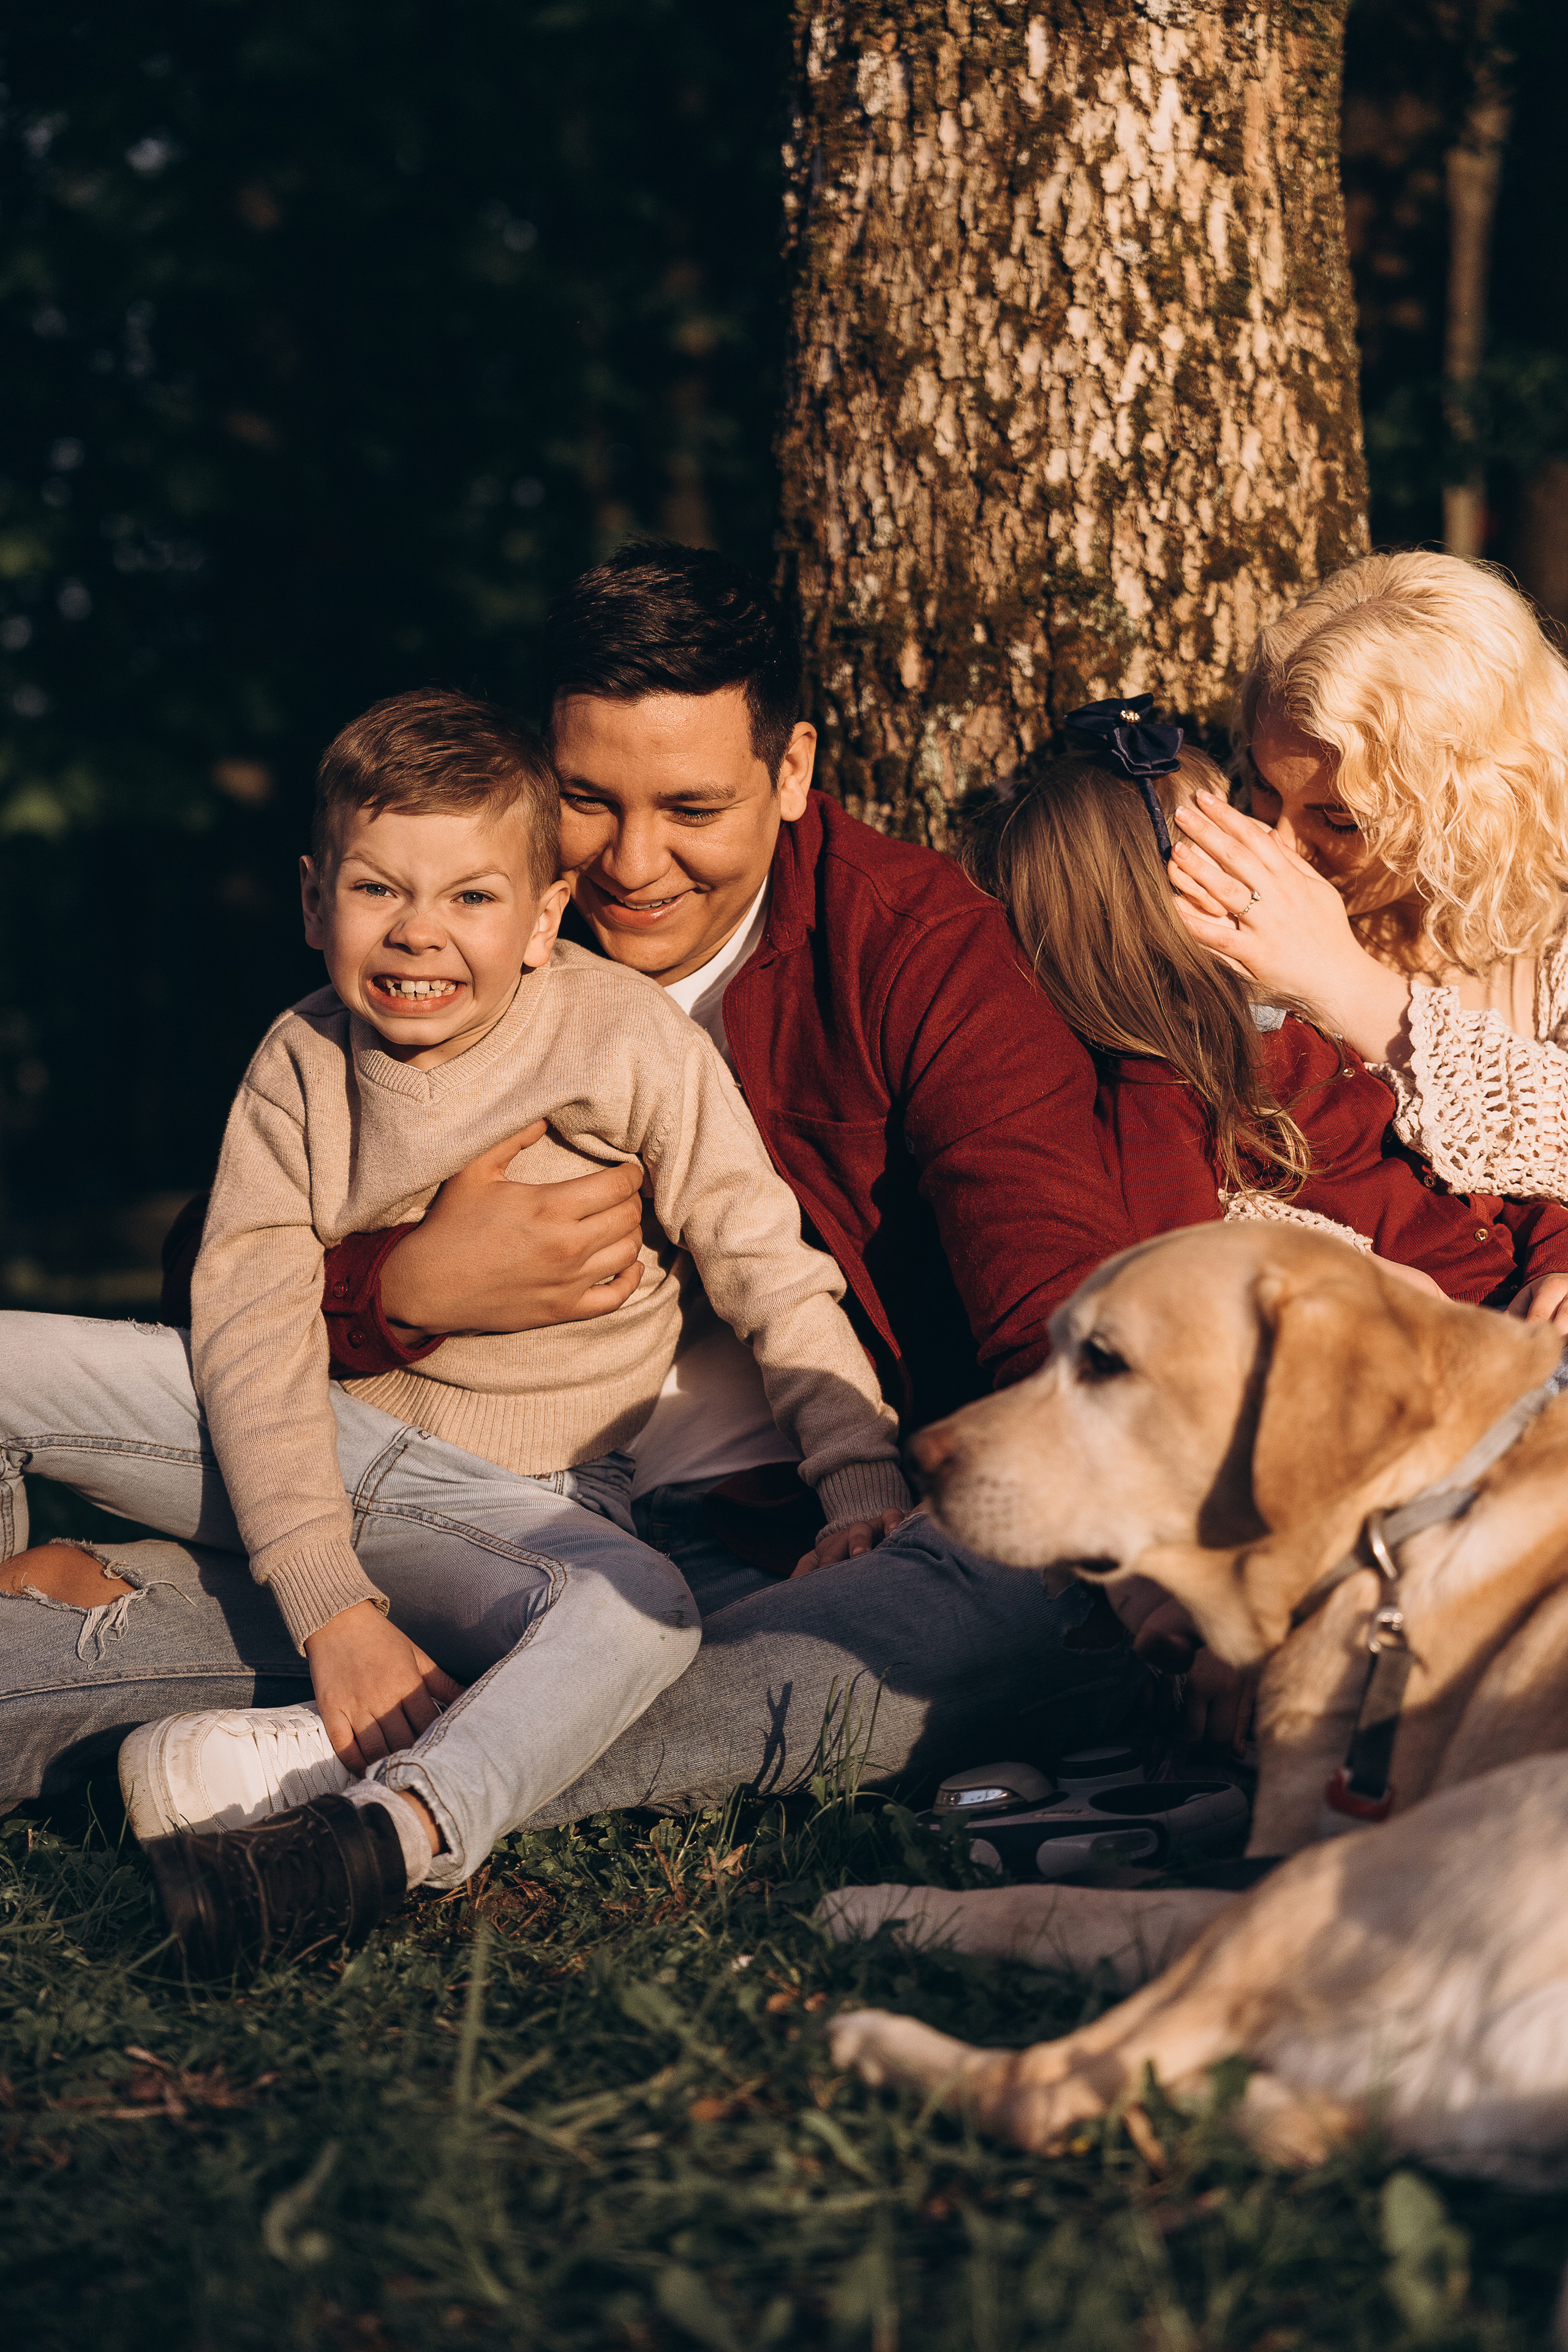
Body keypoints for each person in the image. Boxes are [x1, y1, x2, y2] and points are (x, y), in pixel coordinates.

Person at [0, 547, 1153, 1944]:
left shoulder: (911, 952)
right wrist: (401, 1287)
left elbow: (1036, 1268)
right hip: (396, 1493)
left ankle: (351, 1768)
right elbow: (229, 1262)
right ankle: (389, 1703)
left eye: (692, 808)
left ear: (791, 771)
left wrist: (876, 1479)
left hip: (744, 1557)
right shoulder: (428, 916)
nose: (630, 861)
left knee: (1001, 1603)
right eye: (589, 800)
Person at [957, 707, 1568, 1323]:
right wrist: (1353, 1285)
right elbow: (1187, 1265)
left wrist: (1555, 1259)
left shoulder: (1308, 1025)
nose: (1273, 845)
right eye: (1229, 844)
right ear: (1156, 907)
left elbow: (1481, 1180)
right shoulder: (1164, 1089)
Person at [1164, 551, 1568, 1208]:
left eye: (1340, 820)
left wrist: (1343, 983)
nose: (1281, 843)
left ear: (1472, 808)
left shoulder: (1555, 950)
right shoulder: (1235, 922)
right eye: (1264, 788)